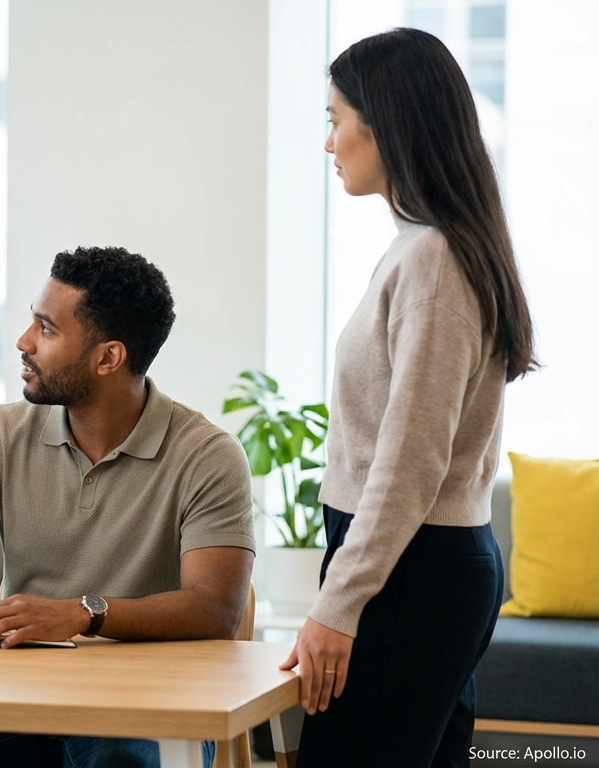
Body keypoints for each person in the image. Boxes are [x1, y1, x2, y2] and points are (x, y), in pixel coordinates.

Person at [0, 247, 256, 768]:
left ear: (108, 358)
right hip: (17, 700)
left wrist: (83, 614)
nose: (23, 342)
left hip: (148, 705)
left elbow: (215, 609)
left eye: (46, 329)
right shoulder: (3, 434)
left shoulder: (207, 455)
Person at [280, 28, 537, 767]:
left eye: (335, 121)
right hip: (422, 567)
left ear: (383, 123)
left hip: (410, 573)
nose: (330, 144)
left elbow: (410, 462)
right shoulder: (430, 247)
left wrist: (339, 603)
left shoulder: (433, 261)